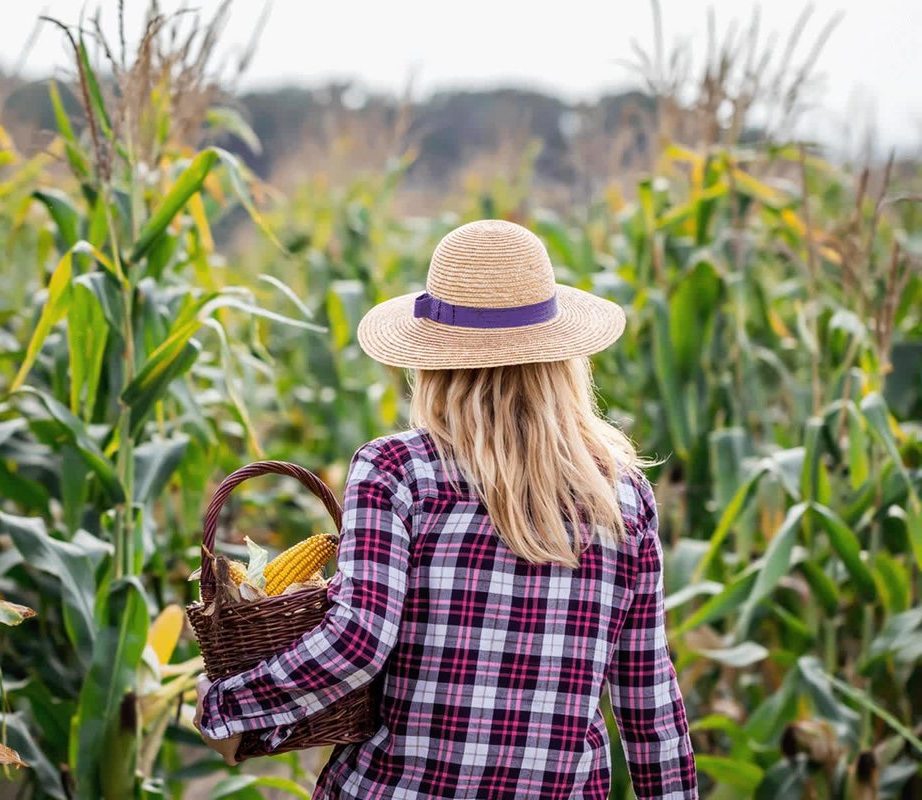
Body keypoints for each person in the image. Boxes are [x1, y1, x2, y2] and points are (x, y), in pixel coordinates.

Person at [194, 220, 698, 799]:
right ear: (562, 361)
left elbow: (357, 642)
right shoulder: (622, 496)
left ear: (434, 361)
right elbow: (648, 698)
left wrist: (227, 706)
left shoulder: (396, 470)